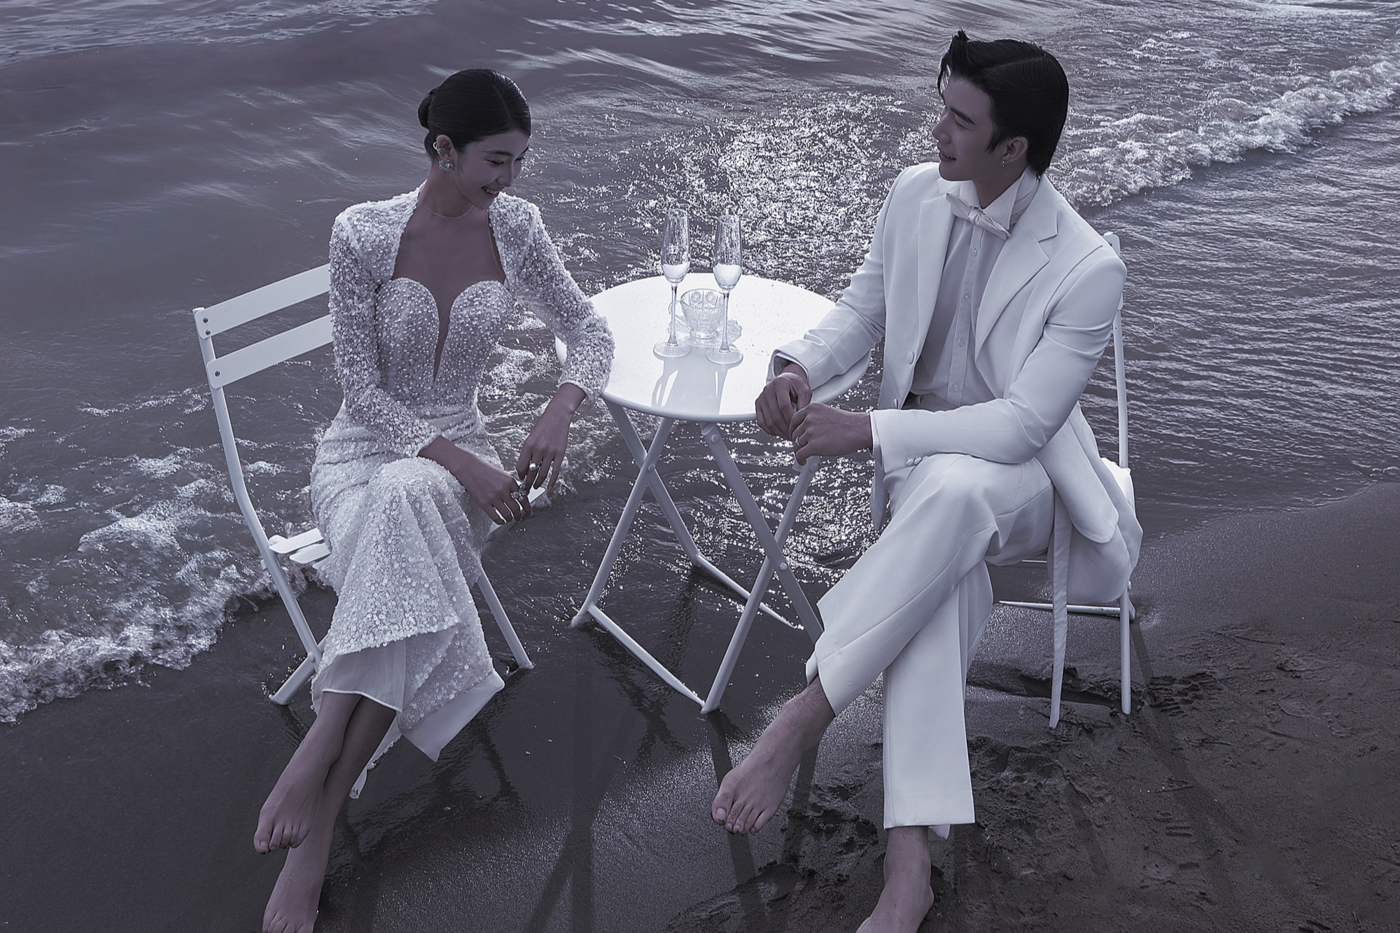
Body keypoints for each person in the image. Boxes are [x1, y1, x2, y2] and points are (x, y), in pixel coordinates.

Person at [712, 31, 1141, 932]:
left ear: (1013, 148)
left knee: (955, 491)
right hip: (926, 481)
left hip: (1026, 483)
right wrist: (797, 365)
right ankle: (908, 871)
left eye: (958, 119)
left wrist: (865, 429)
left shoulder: (1087, 266)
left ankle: (804, 715)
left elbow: (1022, 426)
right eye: (940, 106)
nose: (935, 130)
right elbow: (863, 311)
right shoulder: (915, 192)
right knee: (937, 583)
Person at [252, 69, 614, 933]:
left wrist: (561, 407)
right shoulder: (363, 234)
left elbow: (591, 330)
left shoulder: (517, 228)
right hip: (361, 457)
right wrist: (464, 466)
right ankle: (319, 824)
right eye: (496, 161)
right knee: (401, 504)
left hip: (459, 464)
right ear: (444, 150)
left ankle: (318, 758)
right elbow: (360, 388)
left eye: (521, 161)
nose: (510, 180)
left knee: (410, 503)